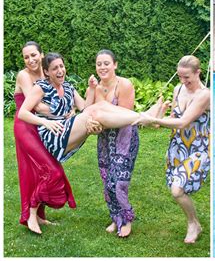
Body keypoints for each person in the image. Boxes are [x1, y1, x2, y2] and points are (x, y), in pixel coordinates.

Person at [18, 53, 150, 167]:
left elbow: (85, 108)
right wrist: (45, 122)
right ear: (46, 72)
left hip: (66, 130)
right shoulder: (41, 87)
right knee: (95, 113)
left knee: (100, 106)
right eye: (54, 68)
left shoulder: (68, 87)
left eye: (61, 66)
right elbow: (22, 113)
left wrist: (92, 88)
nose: (60, 71)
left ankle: (142, 117)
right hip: (53, 136)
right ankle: (143, 119)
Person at [136, 55, 210, 244]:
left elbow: (184, 122)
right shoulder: (178, 89)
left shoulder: (205, 95)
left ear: (198, 72)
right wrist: (160, 117)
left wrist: (153, 119)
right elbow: (173, 119)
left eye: (187, 77)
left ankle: (194, 224)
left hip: (198, 149)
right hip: (177, 147)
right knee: (177, 188)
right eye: (180, 77)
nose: (183, 81)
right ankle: (194, 223)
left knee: (177, 190)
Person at [13, 42, 77, 234]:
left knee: (39, 171)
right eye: (26, 57)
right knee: (48, 169)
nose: (30, 60)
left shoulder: (46, 74)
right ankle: (30, 215)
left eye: (33, 55)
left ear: (41, 55)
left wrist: (69, 110)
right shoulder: (24, 76)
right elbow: (39, 107)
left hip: (41, 127)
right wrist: (61, 113)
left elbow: (61, 98)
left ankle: (40, 216)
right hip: (25, 126)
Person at [86, 49, 139, 237]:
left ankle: (126, 219)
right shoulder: (97, 88)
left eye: (106, 63)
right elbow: (89, 112)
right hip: (104, 141)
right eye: (99, 64)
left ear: (115, 64)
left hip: (124, 139)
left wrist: (100, 120)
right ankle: (115, 217)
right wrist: (93, 125)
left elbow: (124, 116)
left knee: (118, 182)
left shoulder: (124, 85)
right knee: (107, 181)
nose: (102, 67)